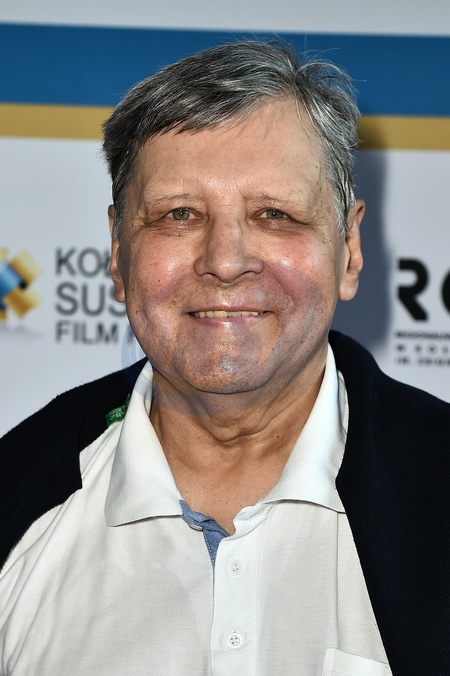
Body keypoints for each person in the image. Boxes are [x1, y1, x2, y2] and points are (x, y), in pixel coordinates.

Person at [0, 41, 449, 676]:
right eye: (179, 215)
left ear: (349, 248)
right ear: (118, 252)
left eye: (275, 214)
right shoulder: (15, 495)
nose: (226, 260)